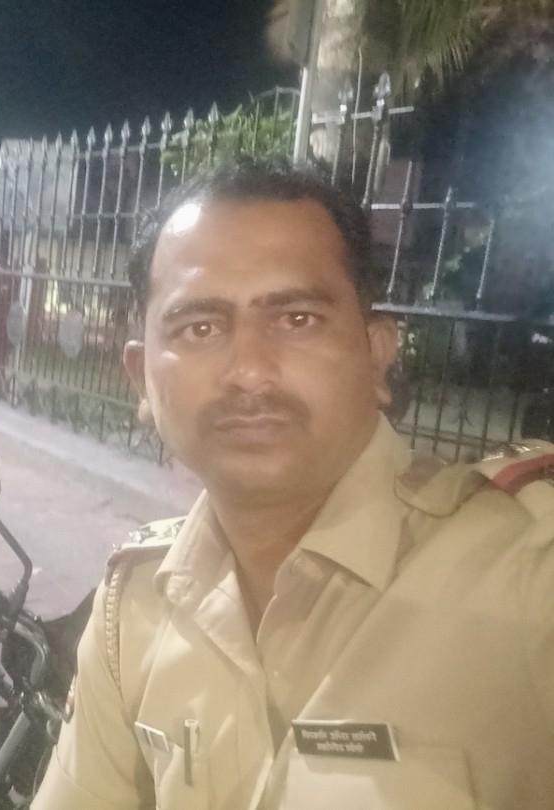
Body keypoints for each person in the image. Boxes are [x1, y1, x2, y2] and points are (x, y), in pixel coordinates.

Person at [31, 157, 554, 809]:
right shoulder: (130, 610)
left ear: (376, 354)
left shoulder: (527, 576)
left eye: (297, 319)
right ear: (141, 380)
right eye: (200, 328)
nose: (249, 371)